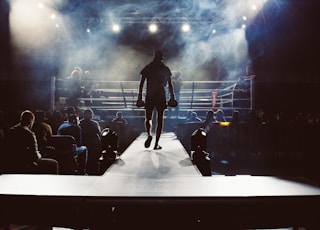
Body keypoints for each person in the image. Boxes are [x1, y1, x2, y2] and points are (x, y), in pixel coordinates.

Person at [137, 50, 175, 150]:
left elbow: (141, 83)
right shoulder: (165, 69)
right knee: (160, 120)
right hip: (160, 95)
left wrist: (140, 97)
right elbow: (170, 84)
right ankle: (156, 144)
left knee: (148, 118)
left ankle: (149, 134)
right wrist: (172, 97)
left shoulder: (148, 67)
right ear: (162, 57)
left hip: (150, 95)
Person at [3, 110, 58, 174]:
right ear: (31, 122)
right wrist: (40, 155)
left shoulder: (11, 131)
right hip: (25, 163)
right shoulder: (29, 134)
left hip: (10, 162)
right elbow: (35, 156)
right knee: (54, 163)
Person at [79, 108, 102, 175]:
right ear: (91, 115)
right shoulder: (95, 124)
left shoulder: (80, 123)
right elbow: (99, 133)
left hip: (83, 144)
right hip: (93, 146)